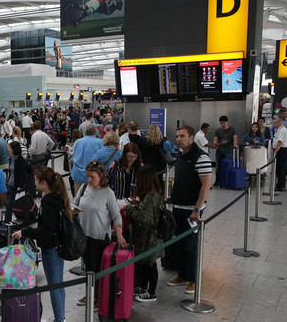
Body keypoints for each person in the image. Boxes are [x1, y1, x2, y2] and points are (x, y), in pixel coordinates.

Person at [11, 166, 70, 322]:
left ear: (43, 182)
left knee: (53, 285)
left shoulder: (47, 202)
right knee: (59, 284)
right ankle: (60, 318)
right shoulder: (58, 197)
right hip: (58, 245)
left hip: (51, 247)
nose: (35, 183)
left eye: (36, 181)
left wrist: (25, 232)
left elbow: (46, 230)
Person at [72, 160, 125, 307]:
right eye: (88, 176)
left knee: (98, 269)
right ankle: (90, 295)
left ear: (101, 176)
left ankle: (97, 297)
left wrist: (119, 233)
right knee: (89, 268)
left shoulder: (108, 193)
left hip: (100, 237)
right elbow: (73, 203)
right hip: (84, 235)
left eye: (92, 176)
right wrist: (74, 209)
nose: (89, 179)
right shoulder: (84, 188)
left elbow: (116, 216)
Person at [167, 126, 213, 295]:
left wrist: (197, 209)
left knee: (191, 246)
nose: (179, 139)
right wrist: (174, 197)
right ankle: (182, 275)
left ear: (191, 138)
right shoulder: (181, 155)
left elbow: (206, 184)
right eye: (177, 136)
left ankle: (194, 279)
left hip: (192, 210)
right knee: (179, 243)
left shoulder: (201, 157)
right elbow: (181, 180)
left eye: (182, 136)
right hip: (178, 207)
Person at [123, 166, 164, 302]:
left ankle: (151, 292)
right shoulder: (154, 193)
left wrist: (129, 208)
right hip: (150, 236)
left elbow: (145, 219)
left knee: (150, 265)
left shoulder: (149, 197)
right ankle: (142, 287)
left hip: (149, 237)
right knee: (146, 263)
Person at [70, 124, 103, 193]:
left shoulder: (78, 142)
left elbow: (75, 155)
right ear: (95, 132)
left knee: (79, 197)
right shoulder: (100, 142)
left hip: (78, 173)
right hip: (94, 175)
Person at [211, 116, 238, 186]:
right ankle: (217, 181)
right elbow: (215, 139)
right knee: (218, 167)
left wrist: (235, 144)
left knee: (227, 166)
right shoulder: (217, 130)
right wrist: (215, 144)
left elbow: (235, 138)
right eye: (221, 123)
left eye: (224, 123)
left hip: (228, 150)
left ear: (227, 122)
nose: (222, 125)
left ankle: (227, 181)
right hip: (219, 151)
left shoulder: (232, 130)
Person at [271, 117, 287, 191]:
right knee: (279, 167)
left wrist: (275, 151)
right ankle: (279, 184)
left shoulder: (281, 131)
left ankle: (280, 185)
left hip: (281, 150)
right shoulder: (280, 130)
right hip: (281, 150)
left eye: (275, 123)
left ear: (279, 123)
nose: (274, 124)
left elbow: (280, 142)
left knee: (280, 168)